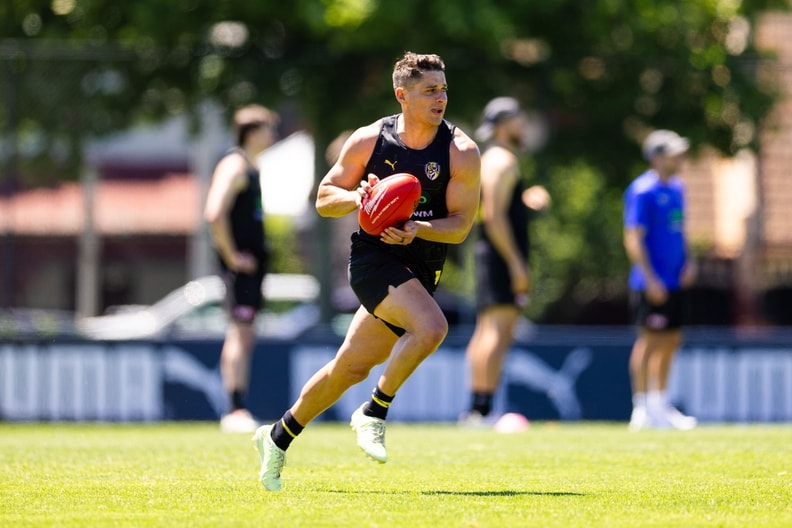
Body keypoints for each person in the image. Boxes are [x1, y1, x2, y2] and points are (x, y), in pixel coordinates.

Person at [252, 51, 481, 491]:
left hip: (421, 266)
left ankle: (276, 437)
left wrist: (418, 228)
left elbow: (460, 227)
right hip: (373, 260)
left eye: (444, 89)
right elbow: (324, 197)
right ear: (402, 95)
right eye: (430, 90)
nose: (441, 98)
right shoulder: (370, 140)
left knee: (348, 368)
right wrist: (360, 198)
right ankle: (374, 411)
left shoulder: (460, 151)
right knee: (432, 328)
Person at [460, 97, 550, 426]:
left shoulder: (499, 159)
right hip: (499, 257)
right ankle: (480, 411)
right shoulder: (501, 160)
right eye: (518, 118)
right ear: (502, 124)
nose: (523, 124)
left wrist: (526, 201)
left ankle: (478, 409)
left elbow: (501, 207)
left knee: (491, 330)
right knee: (495, 332)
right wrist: (516, 264)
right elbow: (494, 217)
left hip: (492, 256)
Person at [204, 104, 279, 433]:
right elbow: (214, 212)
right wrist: (232, 256)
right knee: (238, 332)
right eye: (268, 129)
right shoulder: (233, 164)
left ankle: (237, 407)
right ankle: (234, 411)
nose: (273, 135)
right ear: (252, 132)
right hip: (242, 266)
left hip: (254, 264)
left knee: (245, 334)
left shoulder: (251, 166)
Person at [623, 129, 698, 431]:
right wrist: (651, 278)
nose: (680, 158)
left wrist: (690, 260)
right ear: (656, 157)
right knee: (648, 341)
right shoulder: (642, 190)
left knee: (672, 339)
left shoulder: (679, 188)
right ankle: (640, 407)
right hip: (650, 283)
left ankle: (660, 402)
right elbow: (633, 238)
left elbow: (681, 230)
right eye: (673, 153)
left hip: (675, 282)